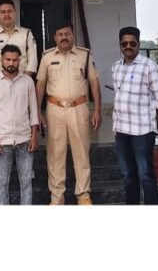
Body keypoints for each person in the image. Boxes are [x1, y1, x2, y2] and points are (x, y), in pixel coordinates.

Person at [36, 23, 101, 205]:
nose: (64, 37)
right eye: (60, 34)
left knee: (81, 152)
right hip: (54, 109)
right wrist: (37, 112)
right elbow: (40, 85)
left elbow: (94, 82)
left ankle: (83, 195)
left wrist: (97, 110)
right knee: (55, 154)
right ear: (55, 38)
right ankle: (57, 197)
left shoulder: (84, 55)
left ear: (73, 35)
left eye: (67, 33)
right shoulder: (47, 56)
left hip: (78, 108)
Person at [111, 26, 158, 205]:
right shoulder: (116, 67)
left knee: (145, 175)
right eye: (124, 44)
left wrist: (153, 123)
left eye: (132, 43)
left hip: (142, 131)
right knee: (128, 176)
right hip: (121, 130)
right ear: (120, 45)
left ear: (138, 44)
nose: (128, 47)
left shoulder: (149, 66)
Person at [0, 44, 40, 205]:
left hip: (25, 139)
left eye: (15, 60)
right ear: (1, 60)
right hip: (2, 140)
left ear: (19, 60)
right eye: (8, 59)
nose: (11, 63)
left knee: (26, 182)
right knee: (1, 183)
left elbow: (33, 111)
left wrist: (34, 137)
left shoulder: (28, 82)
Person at [0, 0, 38, 82]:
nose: (7, 14)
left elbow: (33, 60)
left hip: (22, 83)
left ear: (15, 13)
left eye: (9, 11)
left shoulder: (26, 34)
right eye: (3, 12)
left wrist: (24, 81)